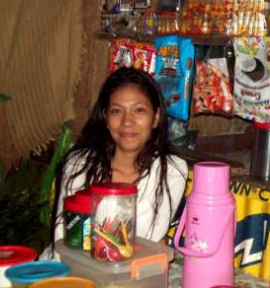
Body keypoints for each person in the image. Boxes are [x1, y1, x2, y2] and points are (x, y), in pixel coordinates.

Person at [47, 67, 187, 255]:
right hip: (69, 269)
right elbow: (64, 239)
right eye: (116, 111)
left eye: (139, 110)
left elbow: (149, 239)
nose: (127, 121)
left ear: (156, 118)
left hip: (128, 271)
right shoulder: (79, 165)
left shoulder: (170, 171)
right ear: (106, 118)